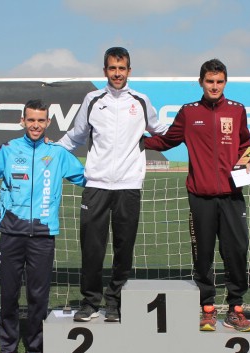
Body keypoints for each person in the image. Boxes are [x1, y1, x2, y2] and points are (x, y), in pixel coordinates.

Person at [144, 58, 250, 332]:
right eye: (209, 81)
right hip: (200, 196)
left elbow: (245, 143)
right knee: (203, 254)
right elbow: (167, 140)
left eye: (219, 81)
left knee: (236, 251)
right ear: (201, 82)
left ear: (225, 82)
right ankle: (207, 308)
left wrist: (247, 159)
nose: (214, 86)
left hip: (232, 195)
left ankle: (236, 308)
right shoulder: (188, 112)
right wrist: (133, 140)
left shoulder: (237, 110)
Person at [57, 46, 168, 323]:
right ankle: (90, 302)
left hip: (128, 186)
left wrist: (194, 134)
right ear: (104, 70)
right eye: (112, 68)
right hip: (96, 185)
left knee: (123, 247)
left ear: (129, 71)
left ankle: (115, 301)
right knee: (92, 248)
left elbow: (161, 131)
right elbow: (75, 136)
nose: (117, 73)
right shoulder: (93, 100)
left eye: (122, 68)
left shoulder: (141, 101)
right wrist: (50, 153)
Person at [0, 99, 86, 353]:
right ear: (23, 121)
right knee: (8, 294)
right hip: (11, 232)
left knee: (38, 296)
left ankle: (35, 351)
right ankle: (7, 351)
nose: (35, 125)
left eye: (41, 120)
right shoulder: (8, 151)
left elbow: (86, 177)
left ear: (48, 123)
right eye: (31, 120)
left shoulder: (57, 153)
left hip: (43, 235)